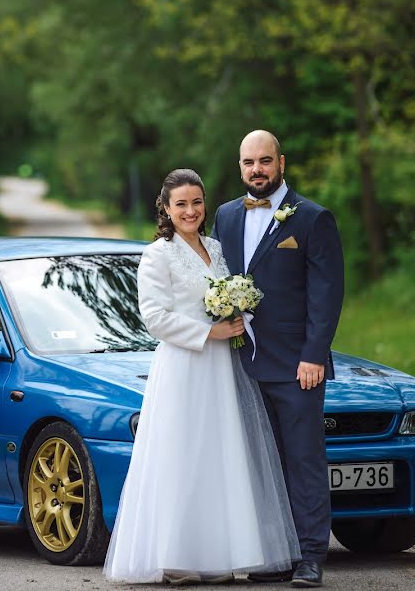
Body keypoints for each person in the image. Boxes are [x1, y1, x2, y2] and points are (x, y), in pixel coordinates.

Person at [103, 168, 301, 585]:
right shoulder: (159, 254)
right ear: (166, 209)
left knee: (221, 454)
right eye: (181, 204)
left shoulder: (215, 247)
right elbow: (154, 317)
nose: (190, 210)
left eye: (196, 202)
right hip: (185, 366)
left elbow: (236, 292)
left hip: (223, 370)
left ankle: (219, 554)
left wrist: (238, 312)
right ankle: (177, 557)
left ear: (204, 204)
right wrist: (209, 332)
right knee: (184, 455)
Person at [211, 130, 345, 588]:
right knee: (256, 460)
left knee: (303, 459)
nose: (257, 170)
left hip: (296, 368)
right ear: (240, 167)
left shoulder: (312, 219)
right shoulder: (226, 217)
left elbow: (326, 296)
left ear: (281, 163)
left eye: (265, 161)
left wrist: (314, 356)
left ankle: (310, 556)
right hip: (239, 363)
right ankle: (273, 553)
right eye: (249, 163)